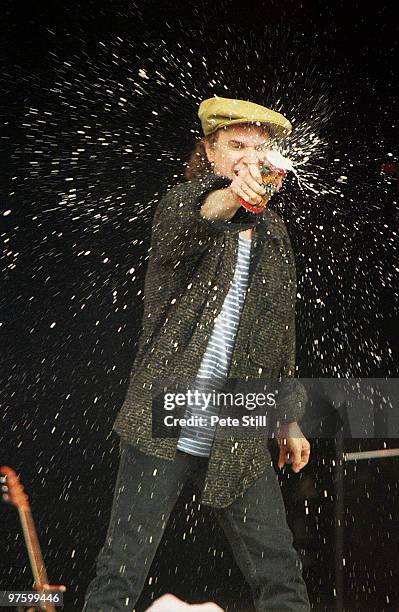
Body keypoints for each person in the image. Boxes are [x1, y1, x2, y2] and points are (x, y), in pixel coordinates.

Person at [82, 96, 311, 611]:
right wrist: (232, 195)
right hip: (167, 411)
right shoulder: (185, 204)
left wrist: (288, 420)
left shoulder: (275, 236)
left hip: (236, 420)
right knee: (121, 569)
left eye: (259, 147)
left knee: (281, 575)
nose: (249, 157)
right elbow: (206, 215)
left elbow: (280, 333)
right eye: (235, 146)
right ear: (210, 152)